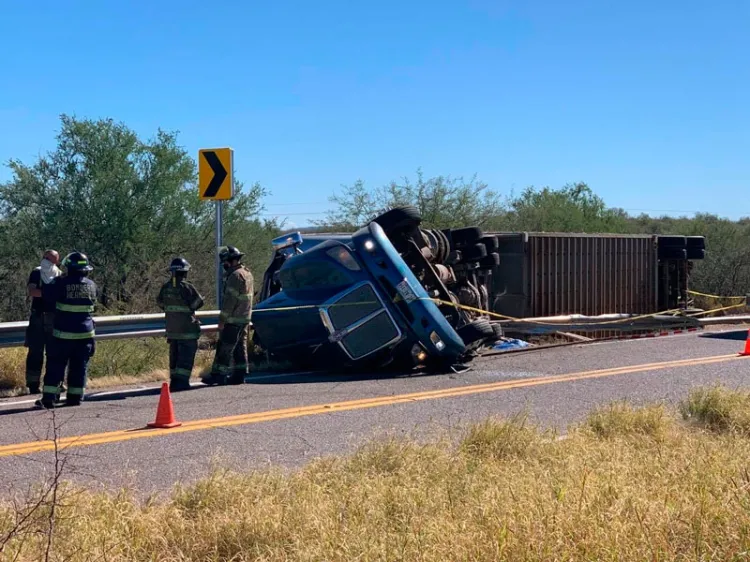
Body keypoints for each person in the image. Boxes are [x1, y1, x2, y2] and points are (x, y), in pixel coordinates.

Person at [37, 251, 97, 409]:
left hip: (63, 335)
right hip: (85, 335)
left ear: (69, 267)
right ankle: (75, 397)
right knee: (79, 367)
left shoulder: (60, 283)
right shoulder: (91, 285)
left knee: (56, 365)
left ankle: (50, 397)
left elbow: (47, 294)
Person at [202, 245, 253, 386]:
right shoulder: (247, 273)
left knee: (225, 347)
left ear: (231, 261)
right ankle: (240, 375)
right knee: (240, 347)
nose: (224, 265)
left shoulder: (235, 276)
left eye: (225, 262)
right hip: (244, 317)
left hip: (233, 318)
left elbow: (229, 301)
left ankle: (218, 375)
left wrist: (222, 319)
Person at [156, 257, 205, 392]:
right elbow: (198, 303)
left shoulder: (166, 287)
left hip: (172, 329)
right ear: (184, 272)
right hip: (187, 330)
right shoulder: (186, 286)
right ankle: (182, 382)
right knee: (185, 356)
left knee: (175, 355)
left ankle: (174, 381)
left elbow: (160, 303)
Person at [24, 250, 61, 394]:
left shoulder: (59, 274)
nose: (49, 261)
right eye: (47, 258)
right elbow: (32, 291)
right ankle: (33, 385)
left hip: (54, 317)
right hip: (38, 317)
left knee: (54, 353)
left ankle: (53, 383)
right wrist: (50, 293)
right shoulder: (37, 272)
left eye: (52, 259)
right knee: (35, 351)